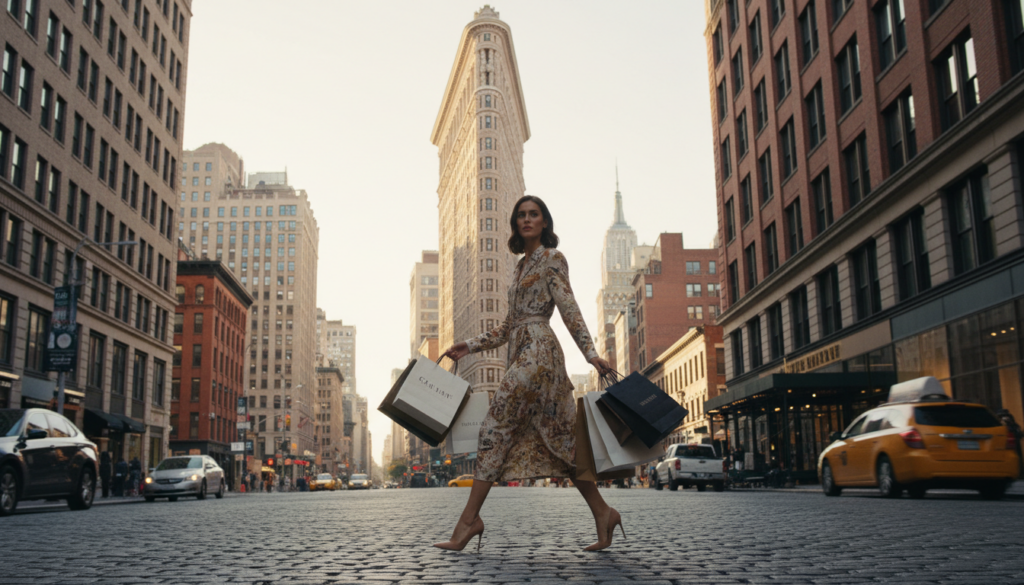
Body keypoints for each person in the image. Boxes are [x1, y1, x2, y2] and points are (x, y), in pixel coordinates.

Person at [434, 196, 620, 553]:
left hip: (539, 354)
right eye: (521, 215)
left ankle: (469, 521)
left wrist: (591, 354)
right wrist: (469, 346)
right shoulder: (520, 268)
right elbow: (508, 325)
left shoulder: (552, 258)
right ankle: (604, 512)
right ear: (515, 224)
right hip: (521, 350)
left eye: (534, 214)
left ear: (546, 222)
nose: (526, 219)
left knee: (494, 427)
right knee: (563, 442)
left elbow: (569, 307)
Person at [997, 409, 1023, 477]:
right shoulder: (998, 425)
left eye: (1006, 416)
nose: (1005, 418)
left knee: (1016, 459)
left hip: (1013, 444)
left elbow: (1018, 433)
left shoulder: (1013, 425)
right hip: (1003, 445)